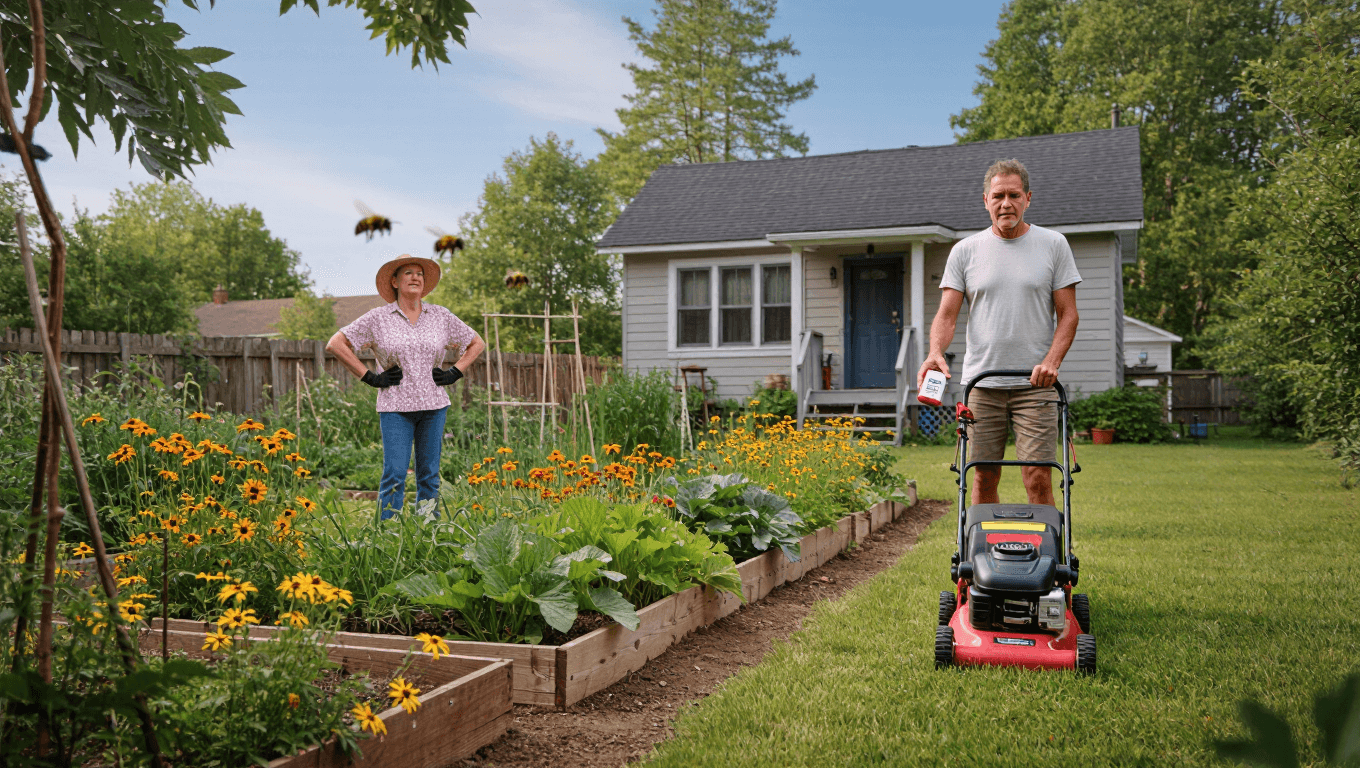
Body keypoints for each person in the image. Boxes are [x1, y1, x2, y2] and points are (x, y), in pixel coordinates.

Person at [917, 158, 1080, 507]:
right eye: (998, 195)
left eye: (1014, 195)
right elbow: (947, 315)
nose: (1006, 203)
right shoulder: (965, 251)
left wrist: (1052, 362)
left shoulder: (1054, 245)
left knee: (1037, 476)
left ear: (1028, 198)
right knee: (982, 475)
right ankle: (981, 558)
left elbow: (1068, 315)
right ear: (985, 200)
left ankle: (1045, 559)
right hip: (982, 386)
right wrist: (934, 352)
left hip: (1036, 386)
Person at [326, 255, 485, 518]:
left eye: (420, 274)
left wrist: (455, 371)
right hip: (395, 406)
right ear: (395, 281)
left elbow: (476, 343)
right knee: (395, 474)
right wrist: (370, 377)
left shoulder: (440, 316)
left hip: (434, 406)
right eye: (408, 273)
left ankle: (427, 535)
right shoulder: (378, 318)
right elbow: (336, 344)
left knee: (429, 477)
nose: (415, 277)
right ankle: (388, 537)